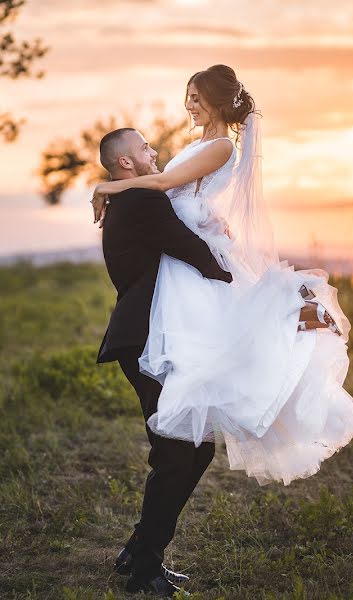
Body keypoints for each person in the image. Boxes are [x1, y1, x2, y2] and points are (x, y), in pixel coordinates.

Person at [93, 65, 353, 487]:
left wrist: (106, 187)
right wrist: (206, 218)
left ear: (219, 102)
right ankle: (177, 445)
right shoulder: (198, 144)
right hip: (180, 251)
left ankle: (295, 318)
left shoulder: (222, 146)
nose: (189, 105)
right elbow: (182, 192)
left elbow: (165, 183)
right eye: (187, 97)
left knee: (221, 337)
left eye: (197, 98)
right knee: (201, 345)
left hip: (187, 254)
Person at [95, 127, 232, 596]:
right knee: (179, 452)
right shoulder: (141, 200)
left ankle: (138, 550)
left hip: (148, 340)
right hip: (146, 342)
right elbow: (189, 248)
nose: (155, 152)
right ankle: (144, 569)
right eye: (145, 148)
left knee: (190, 448)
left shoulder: (125, 199)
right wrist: (237, 277)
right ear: (126, 164)